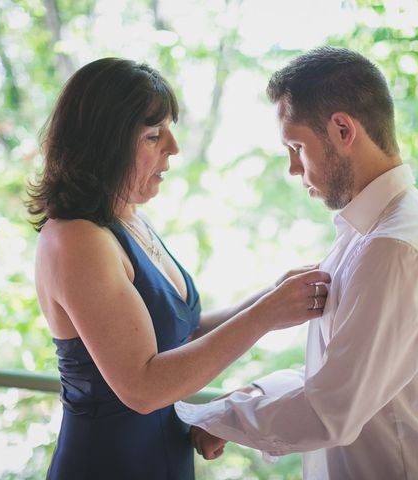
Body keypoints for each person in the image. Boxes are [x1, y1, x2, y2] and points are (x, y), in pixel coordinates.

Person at [176, 46, 418, 479]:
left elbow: (331, 411)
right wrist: (254, 393)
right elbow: (342, 373)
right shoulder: (366, 233)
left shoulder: (394, 246)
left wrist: (214, 416)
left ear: (342, 129)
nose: (293, 169)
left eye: (297, 146)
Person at [25, 57, 331, 480]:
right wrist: (267, 314)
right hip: (109, 467)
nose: (173, 146)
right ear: (104, 144)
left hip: (165, 459)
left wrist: (273, 294)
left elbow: (178, 336)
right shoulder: (75, 239)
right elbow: (145, 387)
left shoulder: (128, 218)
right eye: (153, 135)